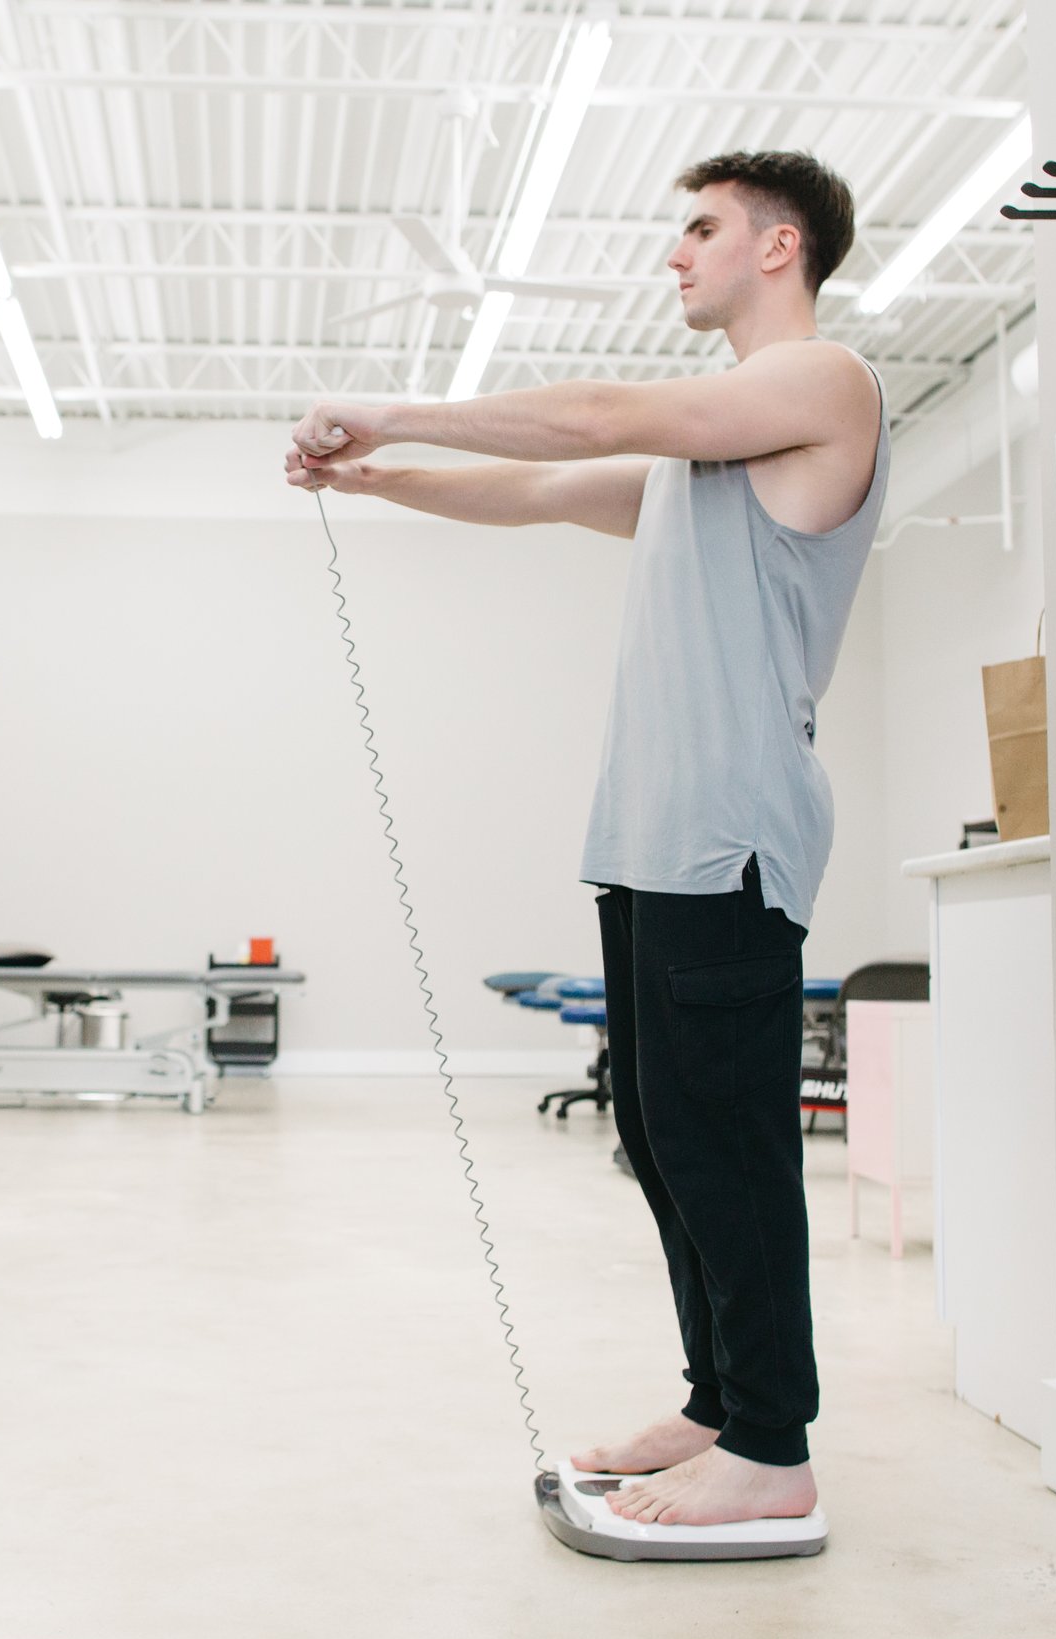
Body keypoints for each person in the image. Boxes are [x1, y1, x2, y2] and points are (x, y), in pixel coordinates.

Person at [284, 152, 884, 1528]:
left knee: (726, 1138)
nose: (677, 255)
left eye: (702, 228)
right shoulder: (703, 462)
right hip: (650, 837)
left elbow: (602, 410)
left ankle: (774, 1443)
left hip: (730, 838)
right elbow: (547, 490)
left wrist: (386, 400)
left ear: (779, 246)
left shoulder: (820, 384)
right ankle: (717, 1401)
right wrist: (380, 479)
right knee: (660, 1125)